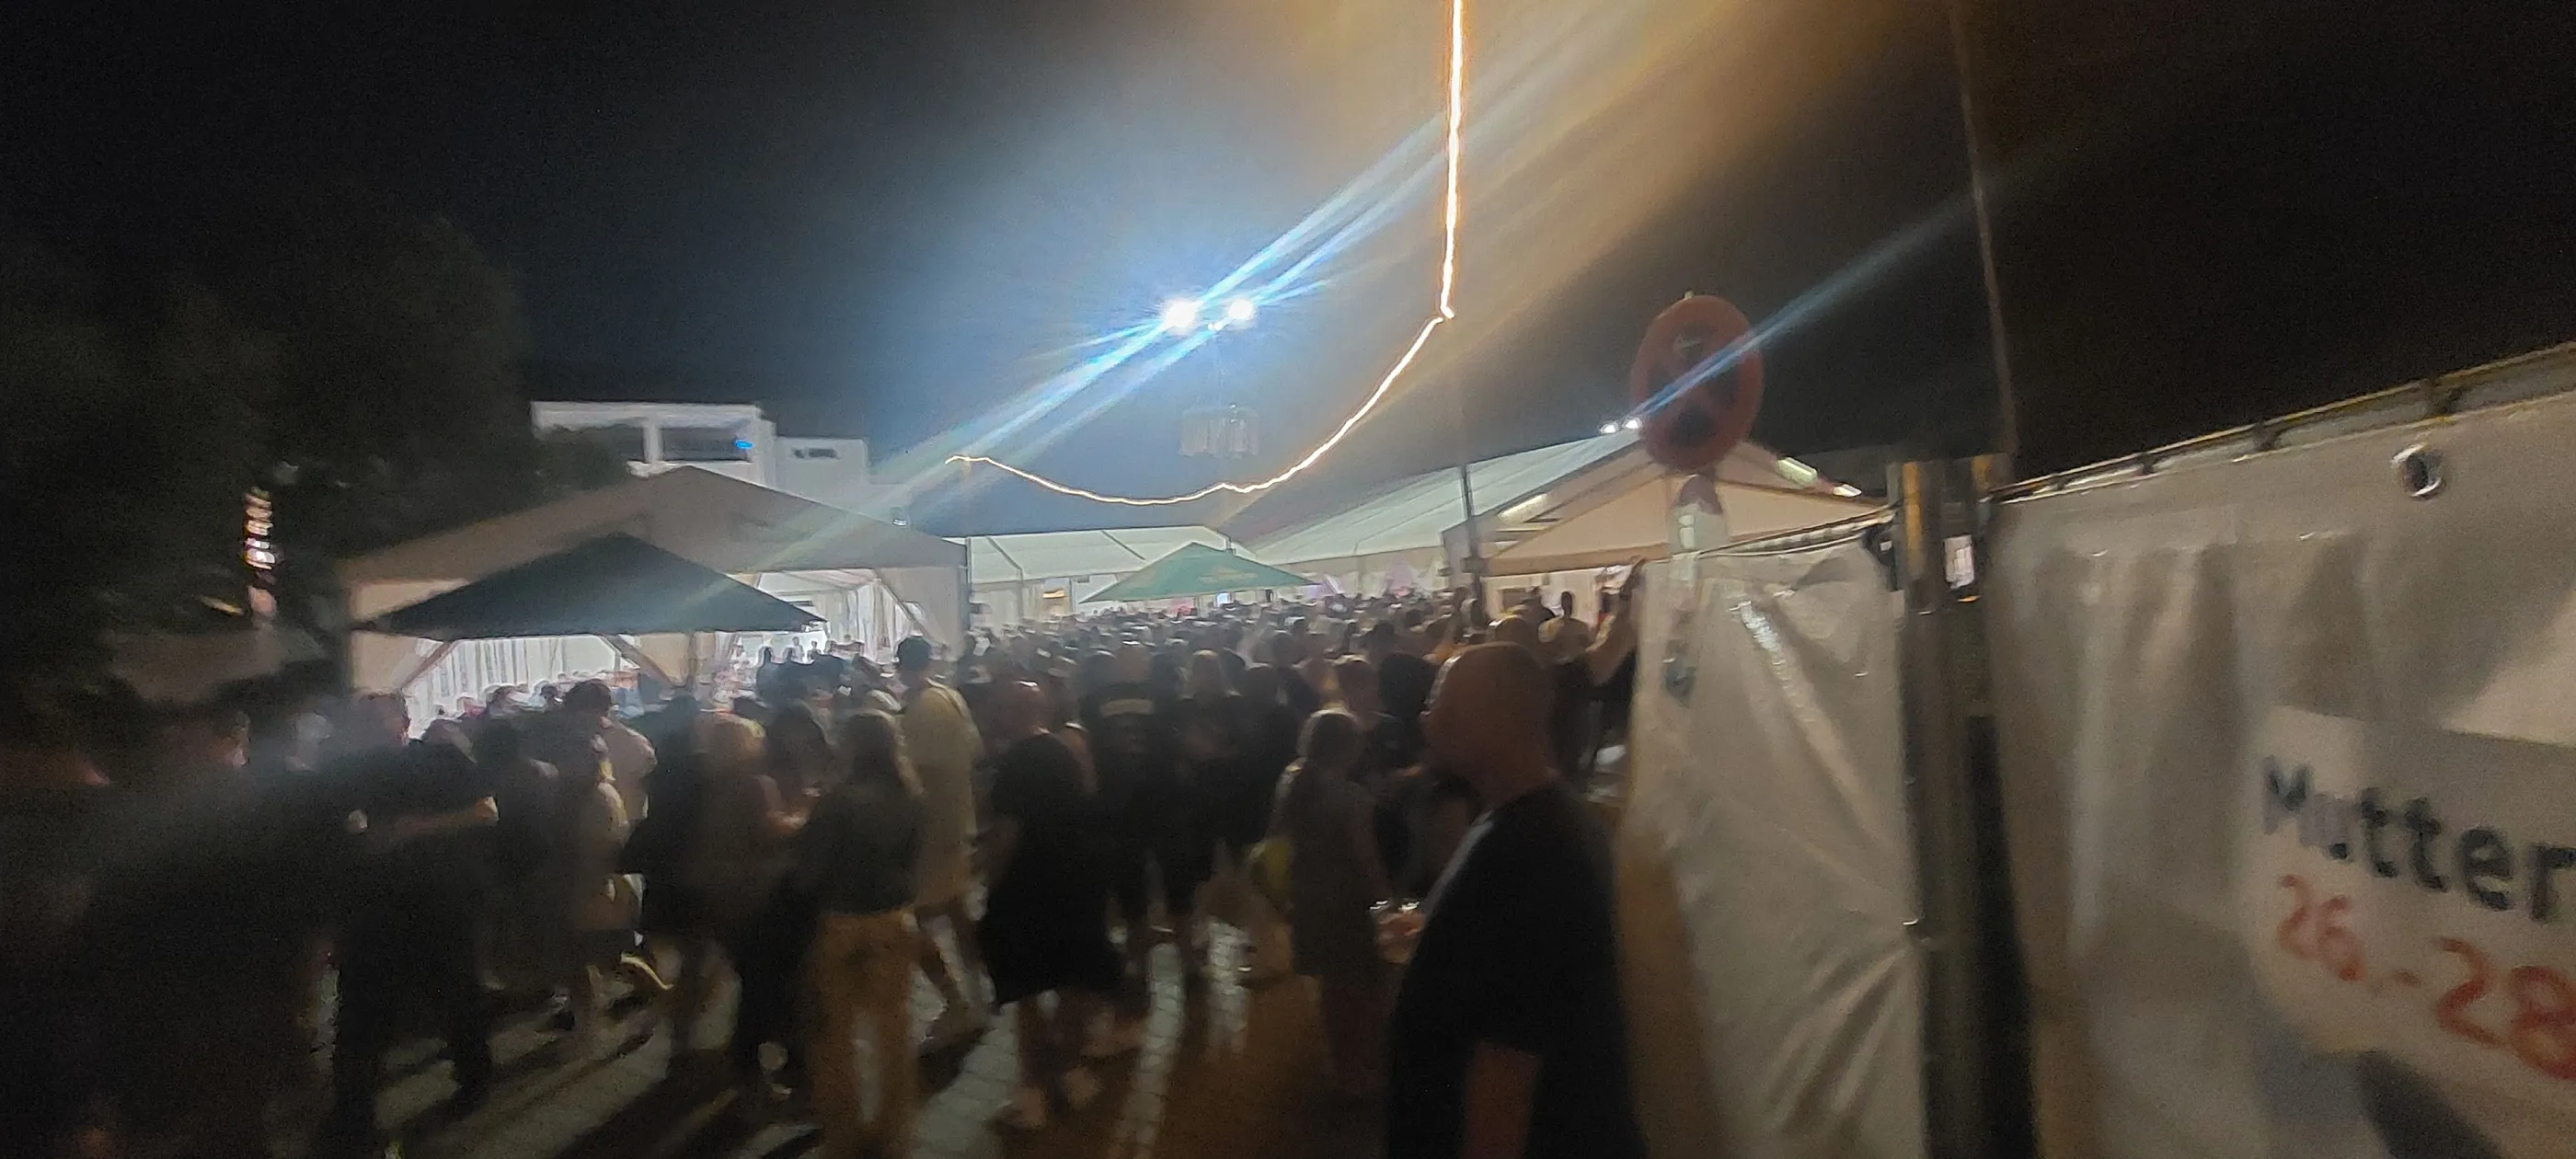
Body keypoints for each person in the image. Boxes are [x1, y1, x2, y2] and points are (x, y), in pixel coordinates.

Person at [1383, 646, 1646, 1159]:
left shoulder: (1534, 851)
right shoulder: (1535, 817)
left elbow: (1507, 1071)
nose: (1426, 720)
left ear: (1496, 722)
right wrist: (1434, 933)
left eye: (1443, 706)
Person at [322, 694, 503, 1153]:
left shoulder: (439, 758)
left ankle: (475, 1078)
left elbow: (486, 810)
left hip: (439, 903)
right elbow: (334, 830)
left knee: (457, 996)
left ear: (403, 720)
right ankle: (353, 1115)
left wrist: (413, 828)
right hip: (373, 909)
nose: (367, 725)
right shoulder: (348, 770)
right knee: (361, 1014)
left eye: (376, 717)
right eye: (362, 718)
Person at [979, 681, 1123, 1130]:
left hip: (1029, 885)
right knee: (1074, 982)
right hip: (1078, 880)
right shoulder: (1067, 749)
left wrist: (990, 883)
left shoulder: (1014, 763)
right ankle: (1070, 1071)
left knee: (1026, 993)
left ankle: (1033, 1092)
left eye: (1001, 708)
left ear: (1018, 711)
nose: (993, 716)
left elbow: (1007, 834)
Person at [799, 711, 925, 1159]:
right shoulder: (910, 794)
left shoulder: (837, 801)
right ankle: (894, 1133)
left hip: (843, 922)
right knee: (894, 1031)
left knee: (834, 1036)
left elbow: (810, 872)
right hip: (894, 918)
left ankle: (844, 1137)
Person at [684, 713, 809, 1109]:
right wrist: (805, 814)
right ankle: (750, 1066)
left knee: (755, 977)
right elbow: (775, 830)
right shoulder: (756, 784)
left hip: (719, 894)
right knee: (764, 983)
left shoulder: (709, 783)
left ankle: (777, 1055)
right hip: (756, 897)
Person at [1274, 710, 1393, 1096]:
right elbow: (1365, 858)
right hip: (1345, 903)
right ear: (1349, 748)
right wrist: (1385, 902)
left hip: (1308, 897)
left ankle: (1340, 1063)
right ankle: (1355, 1071)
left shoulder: (1292, 781)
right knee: (1356, 988)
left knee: (1332, 987)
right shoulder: (1350, 797)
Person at [896, 635, 991, 1045]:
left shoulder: (921, 709)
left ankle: (955, 1002)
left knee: (912, 920)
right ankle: (979, 983)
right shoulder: (949, 697)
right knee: (955, 905)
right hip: (957, 821)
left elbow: (914, 774)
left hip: (930, 830)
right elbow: (976, 750)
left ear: (901, 666)